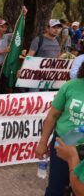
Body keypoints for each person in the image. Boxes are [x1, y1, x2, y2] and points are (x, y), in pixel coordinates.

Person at [35, 61, 84, 196]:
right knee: (56, 189)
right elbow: (52, 115)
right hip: (63, 145)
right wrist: (42, 143)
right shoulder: (71, 86)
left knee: (78, 190)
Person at [0, 19, 12, 94]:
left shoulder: (7, 37)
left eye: (5, 27)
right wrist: (3, 50)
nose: (4, 29)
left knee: (1, 89)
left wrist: (23, 16)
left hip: (3, 68)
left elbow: (17, 32)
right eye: (2, 27)